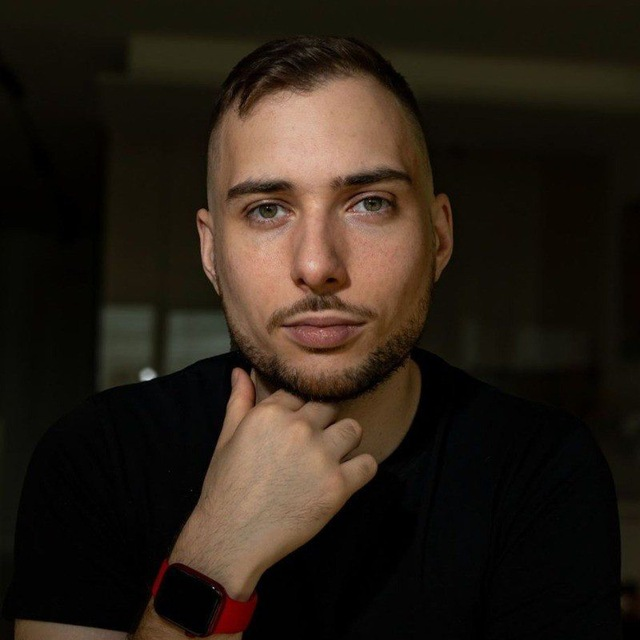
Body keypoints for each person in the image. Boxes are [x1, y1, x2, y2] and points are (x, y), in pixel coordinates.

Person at [3, 36, 621, 640]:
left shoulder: (541, 468)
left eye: (369, 203)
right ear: (211, 252)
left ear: (438, 237)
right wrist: (216, 555)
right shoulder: (96, 457)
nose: (318, 265)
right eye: (267, 209)